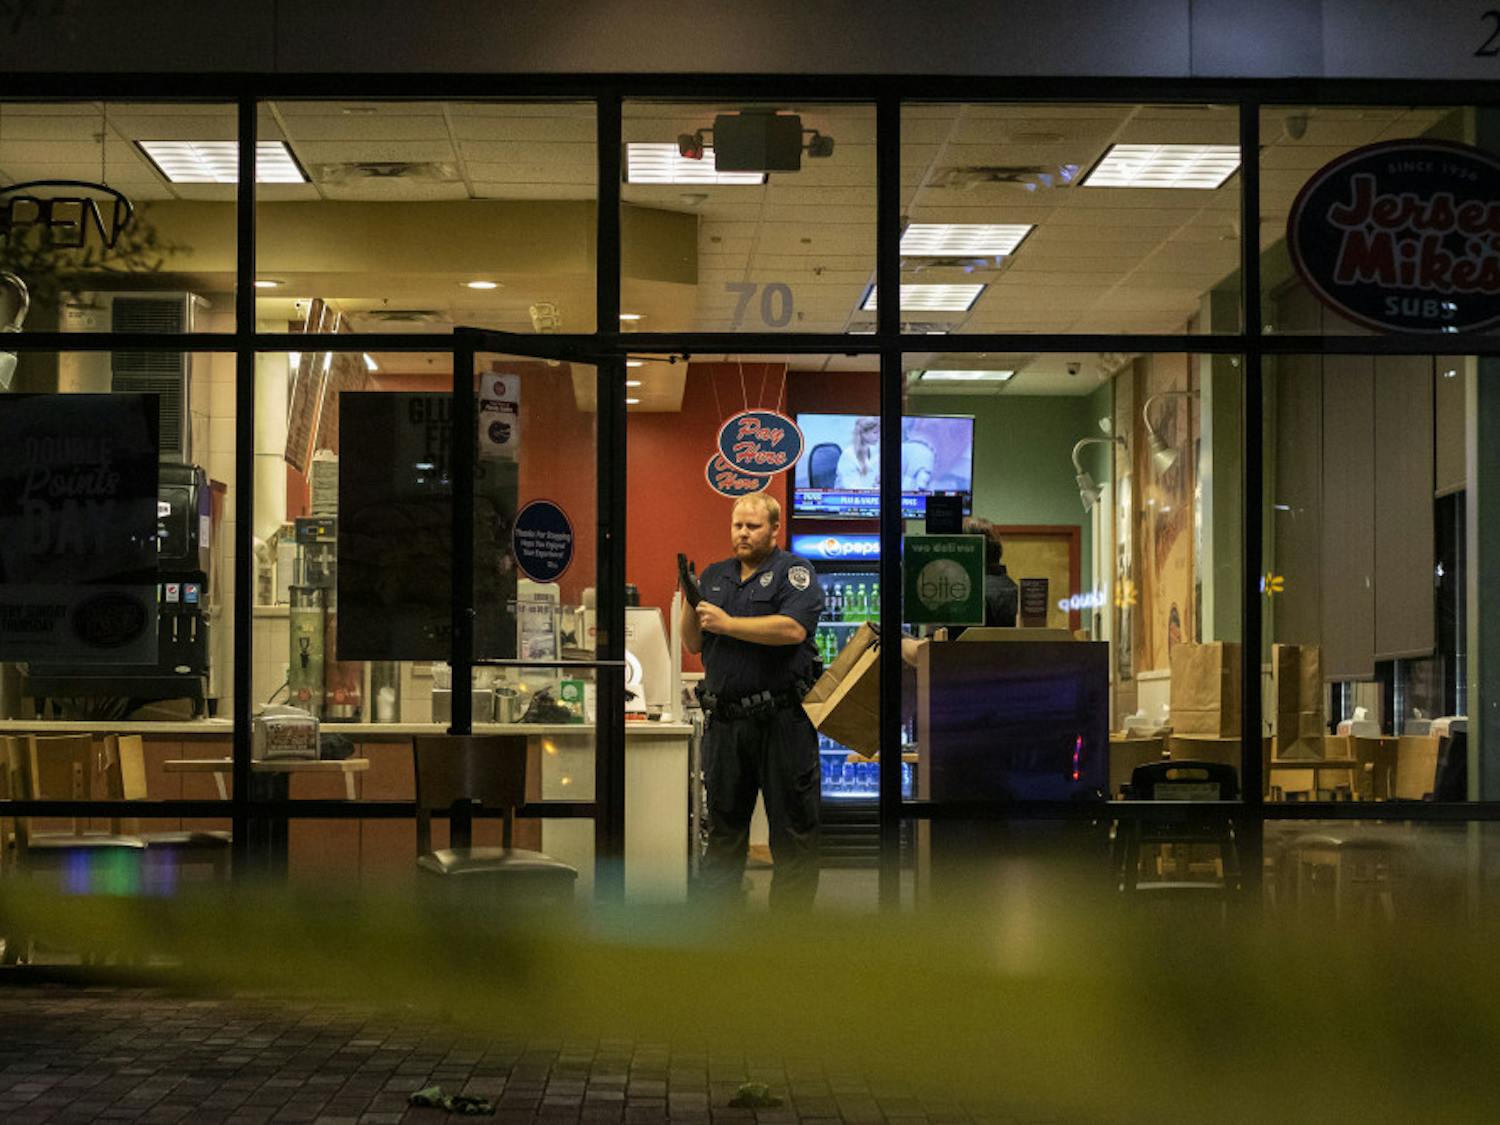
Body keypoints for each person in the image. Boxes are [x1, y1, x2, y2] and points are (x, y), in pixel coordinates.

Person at [680, 492, 826, 909]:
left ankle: (787, 943)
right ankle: (720, 938)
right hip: (726, 725)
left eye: (753, 526)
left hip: (781, 723)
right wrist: (689, 598)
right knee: (724, 834)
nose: (742, 533)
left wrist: (728, 623)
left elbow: (793, 630)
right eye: (737, 525)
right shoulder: (714, 575)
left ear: (774, 529)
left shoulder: (794, 572)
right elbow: (692, 642)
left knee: (793, 835)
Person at [833, 416, 879, 489]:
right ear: (863, 434)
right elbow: (853, 489)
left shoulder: (875, 451)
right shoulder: (848, 455)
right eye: (875, 432)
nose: (879, 436)